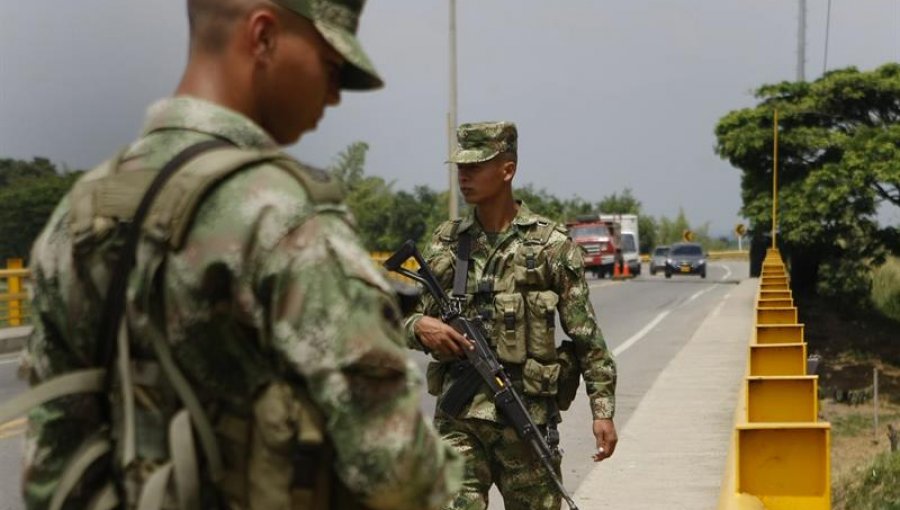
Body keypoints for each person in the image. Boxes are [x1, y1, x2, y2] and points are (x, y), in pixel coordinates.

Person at [21, 0, 461, 508]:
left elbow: (50, 468)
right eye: (331, 65)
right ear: (263, 37)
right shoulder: (284, 218)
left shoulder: (77, 215)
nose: (335, 95)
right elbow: (396, 471)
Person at [404, 121, 618, 509]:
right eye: (460, 168)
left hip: (525, 418)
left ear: (508, 169)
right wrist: (420, 327)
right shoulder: (447, 242)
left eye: (475, 166)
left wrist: (602, 411)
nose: (464, 177)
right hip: (459, 420)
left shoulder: (551, 245)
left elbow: (586, 336)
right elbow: (407, 316)